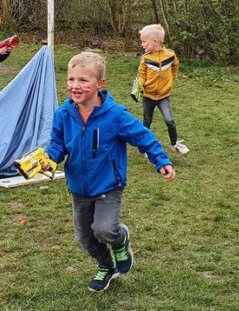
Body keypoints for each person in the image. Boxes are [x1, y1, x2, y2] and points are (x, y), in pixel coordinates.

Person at [42, 51, 176, 292]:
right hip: (79, 188)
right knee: (85, 238)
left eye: (84, 80)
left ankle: (120, 238)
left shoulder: (115, 116)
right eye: (72, 79)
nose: (76, 85)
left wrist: (160, 159)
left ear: (100, 84)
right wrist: (50, 159)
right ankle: (106, 265)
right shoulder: (63, 115)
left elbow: (142, 136)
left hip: (108, 186)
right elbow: (57, 144)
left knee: (104, 230)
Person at [136, 24, 189, 154]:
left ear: (155, 42)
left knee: (169, 120)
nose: (142, 45)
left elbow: (175, 66)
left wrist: (172, 79)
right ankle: (145, 147)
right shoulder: (145, 58)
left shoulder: (170, 55)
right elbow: (141, 74)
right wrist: (140, 84)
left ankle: (174, 144)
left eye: (144, 42)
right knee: (147, 122)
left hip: (164, 96)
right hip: (148, 96)